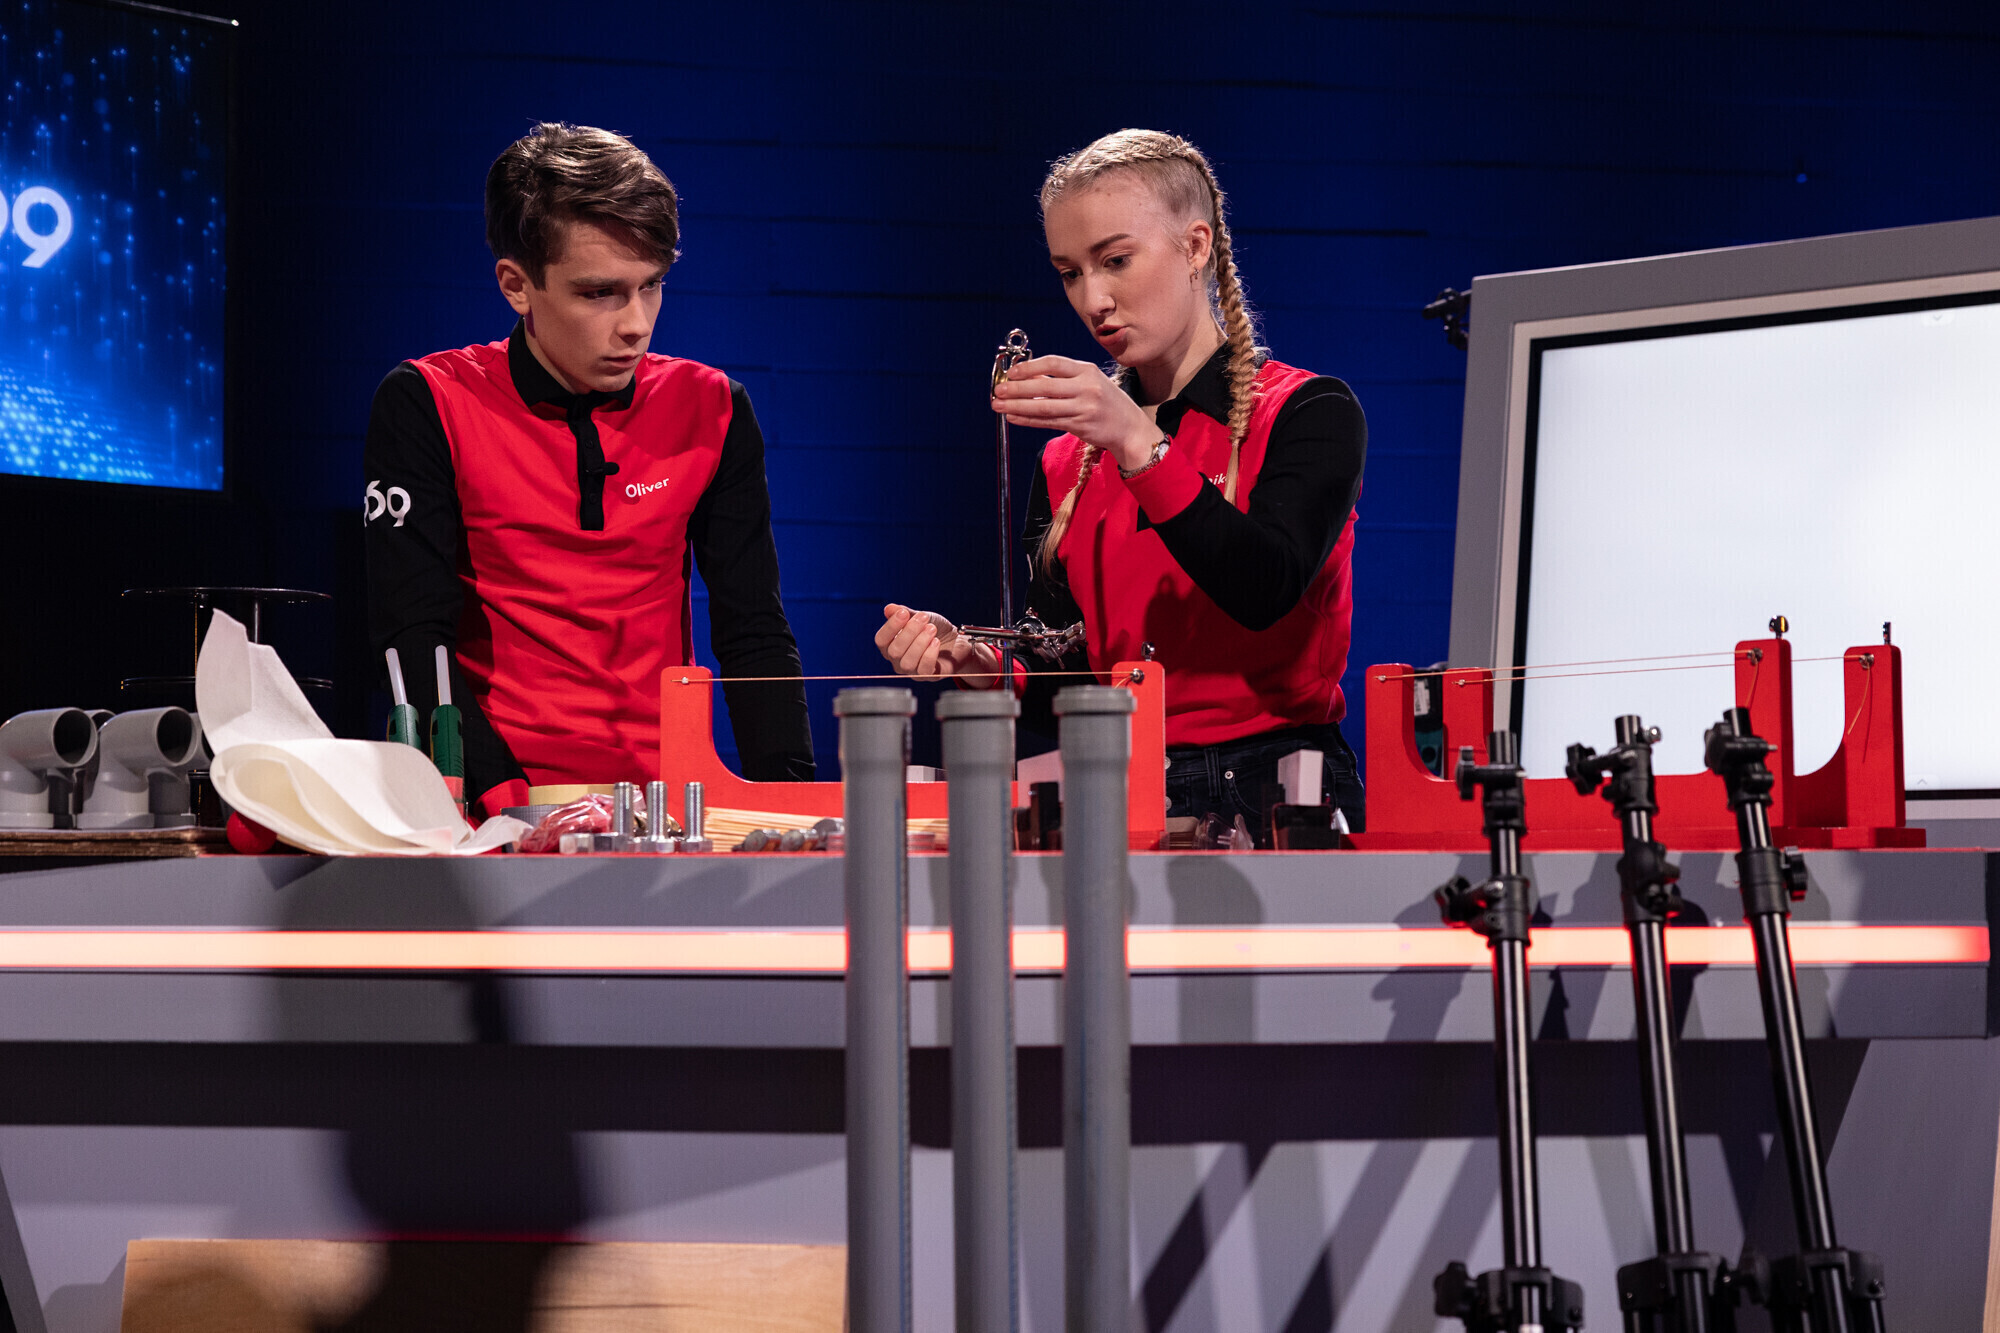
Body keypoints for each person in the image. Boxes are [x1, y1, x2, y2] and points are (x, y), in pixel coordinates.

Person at [874, 128, 1367, 838]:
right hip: (1121, 789)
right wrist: (978, 662)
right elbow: (1075, 679)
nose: (1093, 299)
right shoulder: (1066, 461)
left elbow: (1263, 588)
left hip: (1283, 791)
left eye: (1115, 261)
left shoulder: (1307, 410)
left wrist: (1137, 441)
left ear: (1195, 247)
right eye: (1069, 272)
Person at [366, 122, 813, 818]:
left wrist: (791, 813)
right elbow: (412, 639)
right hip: (489, 813)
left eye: (651, 285)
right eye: (599, 293)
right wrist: (509, 810)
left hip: (661, 815)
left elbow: (753, 630)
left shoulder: (714, 406)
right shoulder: (428, 400)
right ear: (517, 286)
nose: (636, 323)